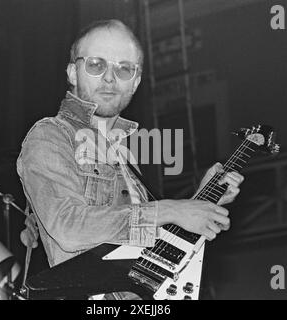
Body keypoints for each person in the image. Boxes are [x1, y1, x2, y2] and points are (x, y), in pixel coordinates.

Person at [17, 19, 244, 294]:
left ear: (135, 82)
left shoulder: (123, 154)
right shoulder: (50, 135)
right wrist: (172, 209)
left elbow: (143, 238)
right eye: (96, 65)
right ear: (73, 73)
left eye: (124, 68)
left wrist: (201, 200)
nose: (110, 78)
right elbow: (69, 228)